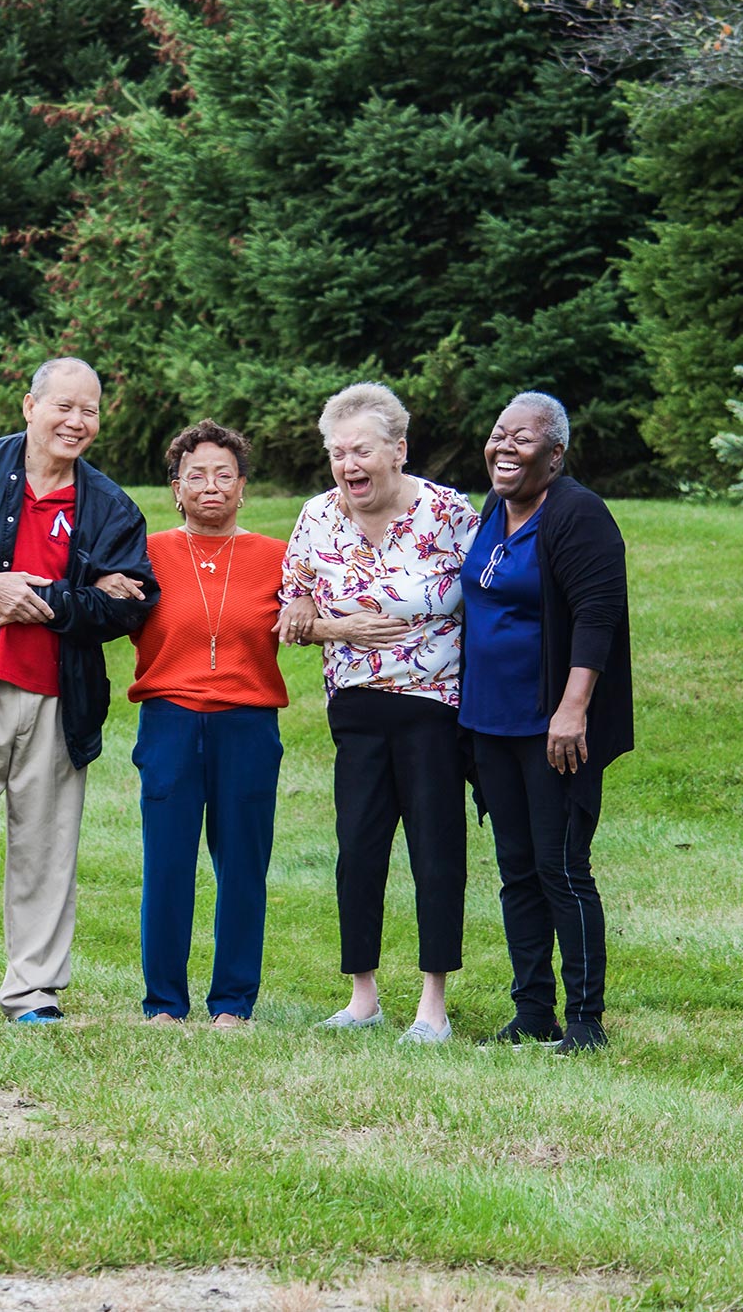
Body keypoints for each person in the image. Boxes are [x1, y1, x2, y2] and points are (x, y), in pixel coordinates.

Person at [0, 357, 158, 1032]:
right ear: (29, 406)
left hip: (58, 699)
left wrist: (35, 598)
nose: (77, 420)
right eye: (64, 406)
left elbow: (130, 604)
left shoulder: (109, 505)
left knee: (46, 848)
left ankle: (34, 993)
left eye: (90, 409)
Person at [277, 382, 478, 1043]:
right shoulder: (317, 517)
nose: (346, 464)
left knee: (435, 852)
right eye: (336, 452)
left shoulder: (450, 512)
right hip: (357, 708)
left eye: (359, 449)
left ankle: (432, 1006)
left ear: (398, 449)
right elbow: (292, 610)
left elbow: (489, 601)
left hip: (433, 707)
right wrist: (332, 627)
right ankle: (362, 997)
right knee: (358, 849)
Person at [459, 391, 632, 1055]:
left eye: (522, 439)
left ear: (555, 454)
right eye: (499, 434)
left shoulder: (578, 514)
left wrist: (572, 706)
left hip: (553, 728)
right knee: (516, 867)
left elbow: (597, 615)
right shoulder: (494, 509)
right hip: (490, 723)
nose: (505, 447)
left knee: (562, 865)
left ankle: (586, 1019)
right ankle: (533, 1009)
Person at [99, 422, 287, 1028]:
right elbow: (100, 595)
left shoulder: (277, 558)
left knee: (243, 867)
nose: (212, 486)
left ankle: (233, 1003)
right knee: (168, 864)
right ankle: (164, 1005)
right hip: (170, 723)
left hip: (248, 724)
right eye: (197, 476)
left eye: (224, 475)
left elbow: (319, 607)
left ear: (243, 487)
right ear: (176, 489)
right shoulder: (148, 552)